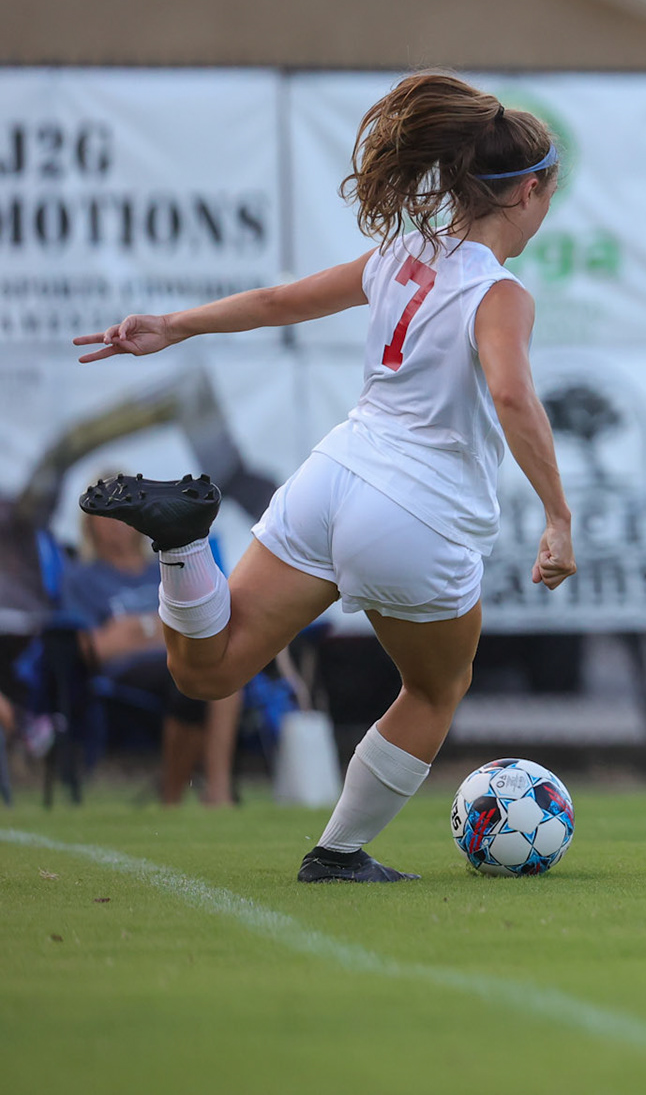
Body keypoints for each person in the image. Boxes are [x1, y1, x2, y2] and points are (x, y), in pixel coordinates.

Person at [72, 72, 578, 882]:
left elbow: (279, 302)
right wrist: (558, 515)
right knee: (438, 687)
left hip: (332, 477)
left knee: (205, 670)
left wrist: (172, 325)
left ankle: (179, 547)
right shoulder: (499, 290)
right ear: (527, 191)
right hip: (415, 510)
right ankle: (339, 854)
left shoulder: (405, 254)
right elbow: (513, 392)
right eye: (548, 189)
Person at [65, 505, 241, 804]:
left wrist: (133, 629)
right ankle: (178, 797)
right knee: (193, 674)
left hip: (177, 658)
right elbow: (96, 648)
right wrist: (161, 625)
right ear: (89, 526)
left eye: (122, 517)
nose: (116, 526)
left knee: (224, 671)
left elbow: (201, 624)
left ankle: (216, 791)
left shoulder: (166, 568)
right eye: (105, 519)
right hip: (124, 674)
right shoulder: (82, 578)